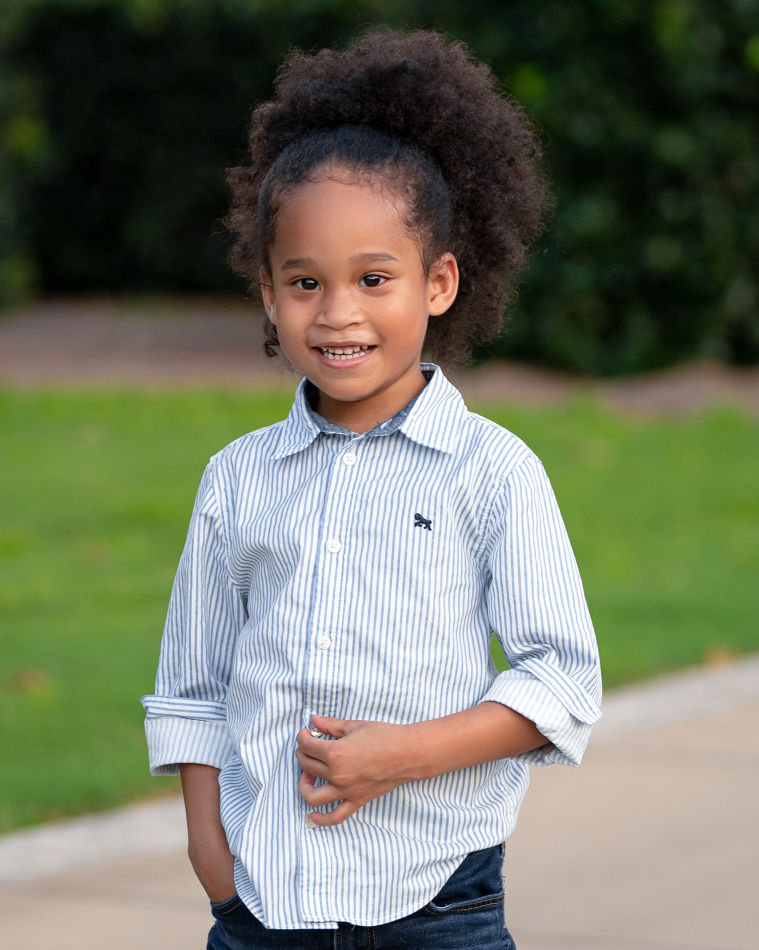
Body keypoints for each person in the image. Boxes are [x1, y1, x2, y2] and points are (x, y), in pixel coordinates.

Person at [141, 29, 602, 950]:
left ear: (439, 283)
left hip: (437, 901)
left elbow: (561, 680)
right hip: (263, 900)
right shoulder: (237, 478)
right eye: (305, 281)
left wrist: (403, 755)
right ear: (267, 293)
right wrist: (212, 860)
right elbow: (194, 686)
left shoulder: (491, 470)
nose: (338, 312)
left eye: (374, 278)